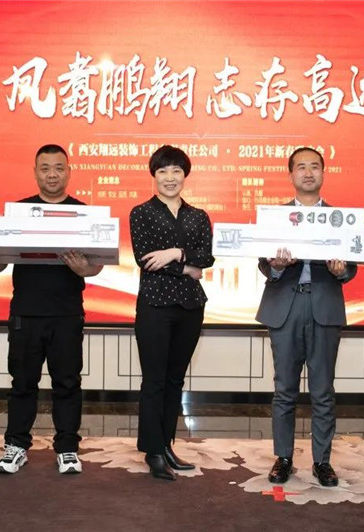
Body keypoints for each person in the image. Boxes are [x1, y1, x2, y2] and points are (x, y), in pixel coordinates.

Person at [0, 144, 102, 475]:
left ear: (69, 171)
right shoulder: (19, 212)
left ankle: (68, 449)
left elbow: (96, 266)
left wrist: (84, 269)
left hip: (67, 313)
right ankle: (16, 447)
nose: (52, 174)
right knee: (22, 383)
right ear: (35, 173)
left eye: (58, 167)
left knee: (67, 383)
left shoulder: (84, 213)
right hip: (26, 313)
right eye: (45, 168)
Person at [255, 147, 357, 487]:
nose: (308, 172)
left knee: (322, 389)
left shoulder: (340, 218)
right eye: (301, 167)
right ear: (291, 175)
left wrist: (341, 271)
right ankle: (283, 457)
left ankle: (322, 462)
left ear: (324, 173)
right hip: (285, 306)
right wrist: (276, 266)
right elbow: (263, 263)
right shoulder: (276, 217)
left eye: (315, 166)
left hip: (324, 305)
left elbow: (351, 266)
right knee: (284, 388)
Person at [129, 145, 215, 481]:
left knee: (175, 379)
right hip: (154, 305)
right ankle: (153, 451)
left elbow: (206, 258)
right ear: (154, 175)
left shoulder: (198, 216)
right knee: (154, 380)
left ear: (185, 175)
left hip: (190, 306)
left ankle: (166, 445)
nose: (170, 177)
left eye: (176, 171)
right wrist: (187, 268)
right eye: (163, 171)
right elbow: (145, 258)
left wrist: (175, 253)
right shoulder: (141, 213)